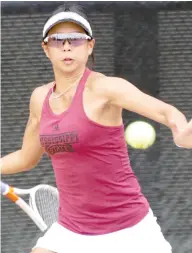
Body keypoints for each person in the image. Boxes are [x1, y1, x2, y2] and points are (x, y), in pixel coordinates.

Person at [1, 3, 192, 253]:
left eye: (76, 39)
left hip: (129, 230)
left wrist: (181, 132)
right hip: (70, 230)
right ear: (46, 49)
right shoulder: (40, 98)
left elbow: (164, 112)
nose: (67, 46)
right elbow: (27, 157)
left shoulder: (106, 88)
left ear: (90, 45)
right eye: (57, 40)